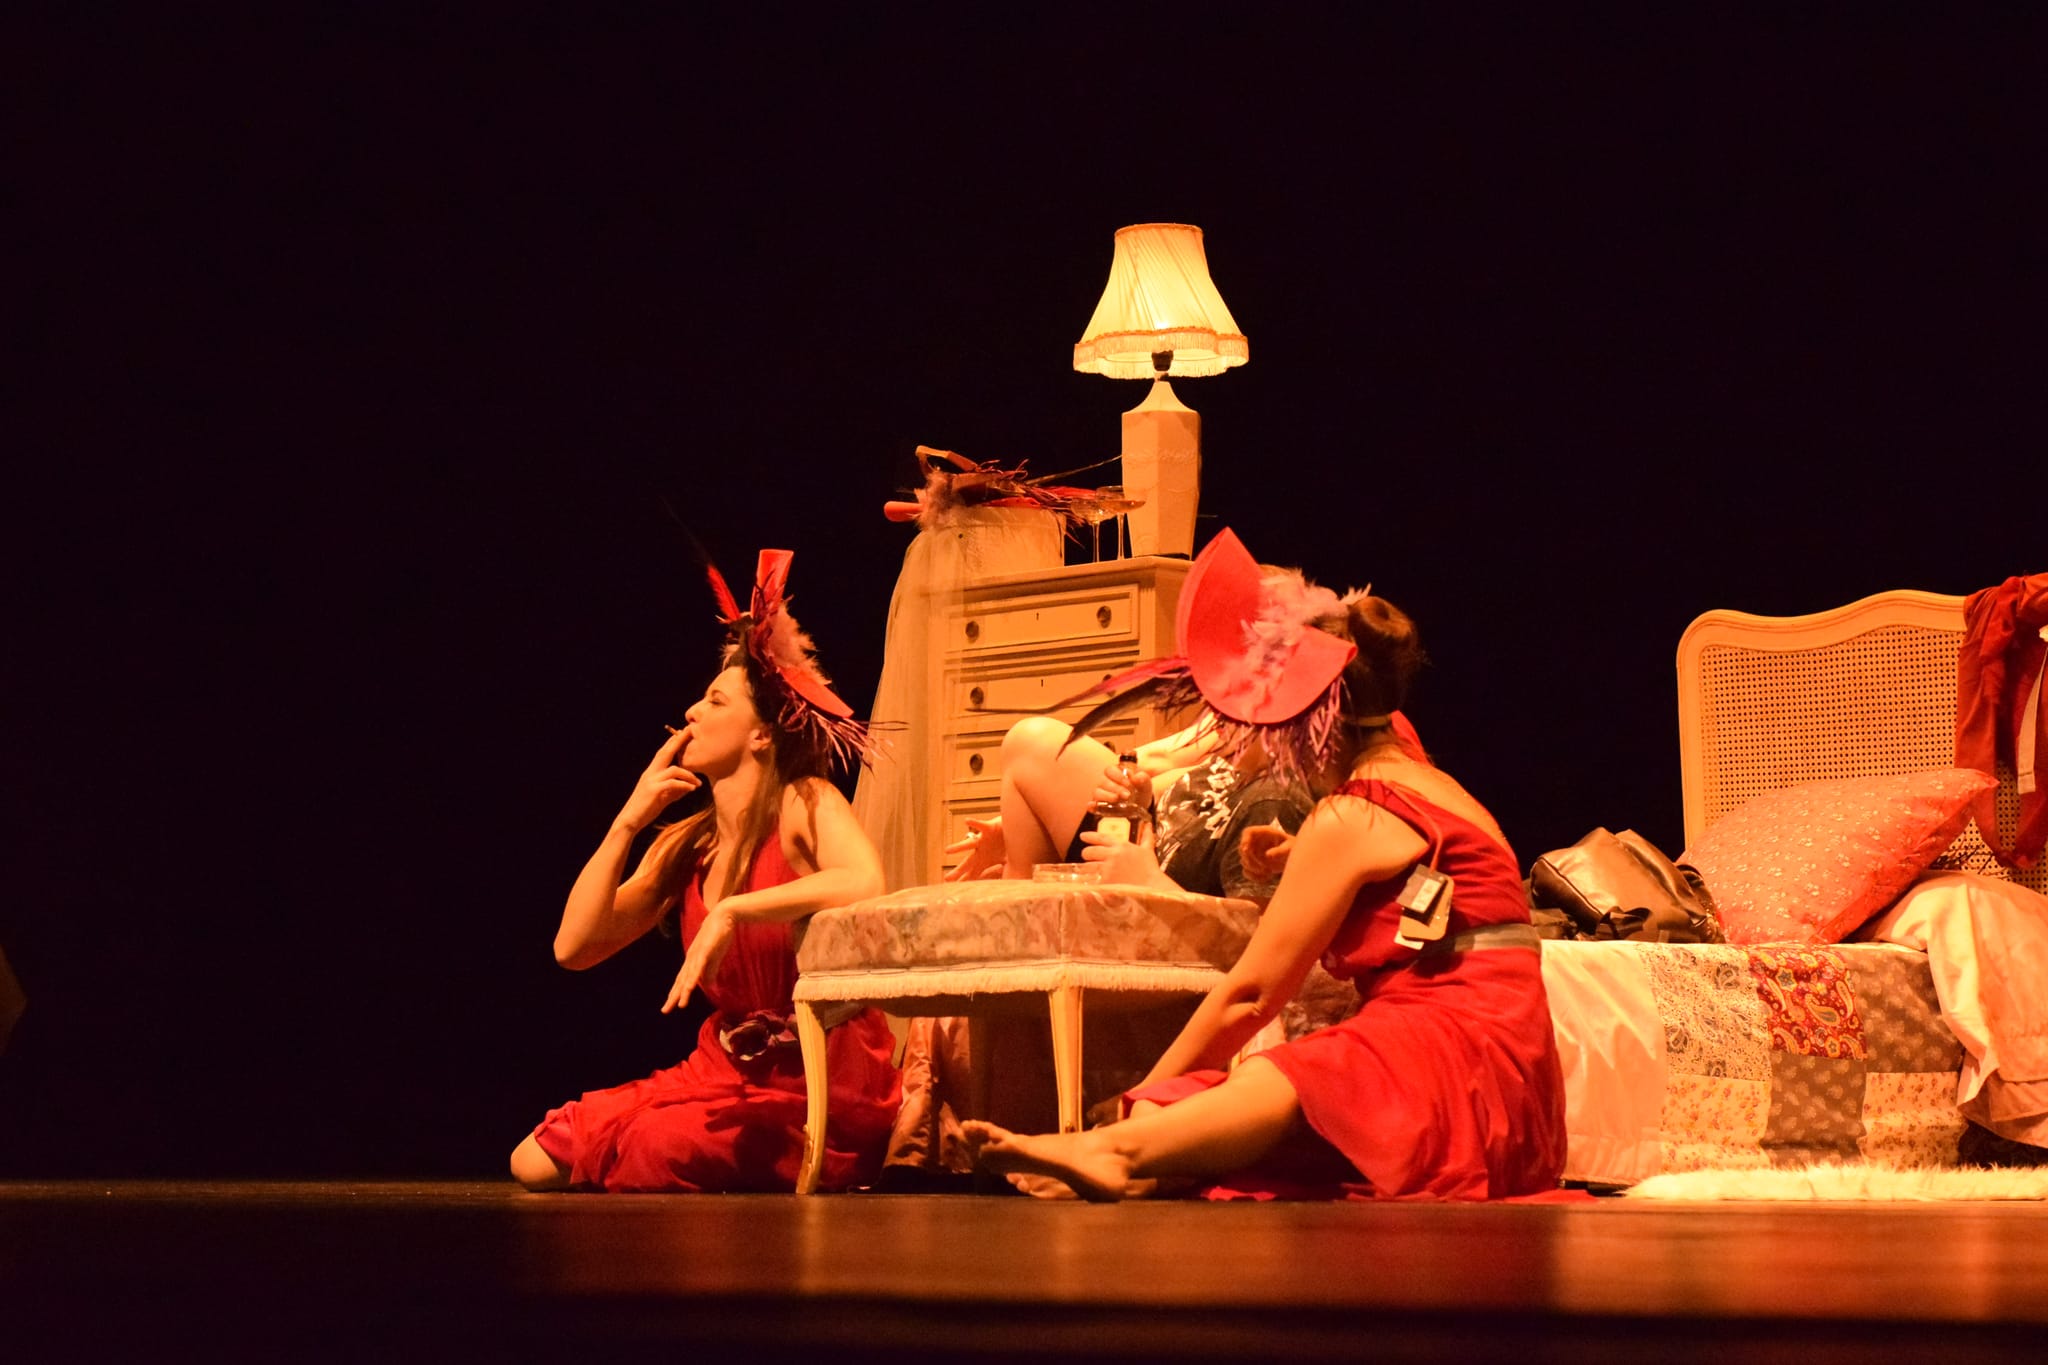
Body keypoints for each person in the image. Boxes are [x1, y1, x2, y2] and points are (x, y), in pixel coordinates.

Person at [962, 528, 1568, 1201]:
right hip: (1508, 1075)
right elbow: (1419, 883)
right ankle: (1145, 1157)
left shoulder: (1352, 815)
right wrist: (1298, 852)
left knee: (1288, 1074)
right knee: (1223, 1105)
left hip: (1452, 1052)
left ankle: (1114, 1147)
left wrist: (1136, 1098)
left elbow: (1250, 995)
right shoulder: (1427, 783)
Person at [509, 550, 900, 1193]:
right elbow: (574, 949)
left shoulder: (804, 800)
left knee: (656, 1145)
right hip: (724, 1069)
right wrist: (626, 824)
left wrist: (734, 909)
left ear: (762, 735)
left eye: (715, 700)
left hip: (819, 1073)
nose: (692, 712)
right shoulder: (690, 844)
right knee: (534, 1157)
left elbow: (864, 881)